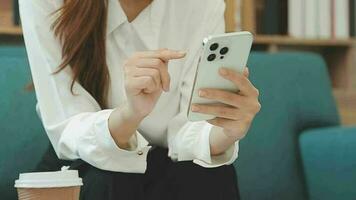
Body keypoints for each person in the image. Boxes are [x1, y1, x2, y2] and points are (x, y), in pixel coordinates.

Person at [19, 0, 261, 199]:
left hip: (170, 166)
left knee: (212, 176)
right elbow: (69, 126)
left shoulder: (201, 5)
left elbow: (192, 128)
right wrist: (131, 113)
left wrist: (227, 131)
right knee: (110, 177)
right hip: (86, 164)